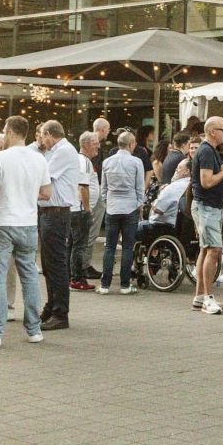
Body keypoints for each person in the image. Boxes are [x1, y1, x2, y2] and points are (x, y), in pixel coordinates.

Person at [0, 115, 50, 348]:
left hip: (2, 223)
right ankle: (34, 330)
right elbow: (46, 193)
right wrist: (25, 194)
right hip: (27, 223)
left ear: (9, 132)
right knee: (29, 276)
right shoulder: (39, 160)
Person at [34, 121, 80, 329]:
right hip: (48, 211)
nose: (41, 140)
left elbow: (42, 176)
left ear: (49, 134)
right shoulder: (56, 151)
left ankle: (60, 312)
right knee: (48, 263)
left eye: (42, 136)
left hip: (57, 212)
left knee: (56, 263)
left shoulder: (63, 151)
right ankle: (52, 305)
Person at [191, 116, 223, 315]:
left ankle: (200, 296)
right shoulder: (207, 151)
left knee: (206, 249)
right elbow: (206, 181)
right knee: (213, 250)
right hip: (207, 206)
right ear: (212, 131)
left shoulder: (208, 151)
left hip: (208, 206)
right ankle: (207, 298)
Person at [99, 130, 144, 295]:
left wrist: (107, 201)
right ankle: (125, 285)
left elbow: (103, 188)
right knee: (127, 246)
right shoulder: (136, 162)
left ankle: (105, 285)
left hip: (112, 207)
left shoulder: (107, 162)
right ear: (131, 144)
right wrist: (140, 204)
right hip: (130, 206)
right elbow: (140, 187)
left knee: (109, 246)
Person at [67, 131, 99, 293]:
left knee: (72, 245)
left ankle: (70, 276)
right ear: (85, 144)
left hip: (73, 209)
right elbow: (83, 187)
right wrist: (87, 210)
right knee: (79, 246)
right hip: (78, 210)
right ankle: (77, 279)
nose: (98, 147)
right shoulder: (83, 161)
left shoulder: (79, 160)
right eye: (95, 144)